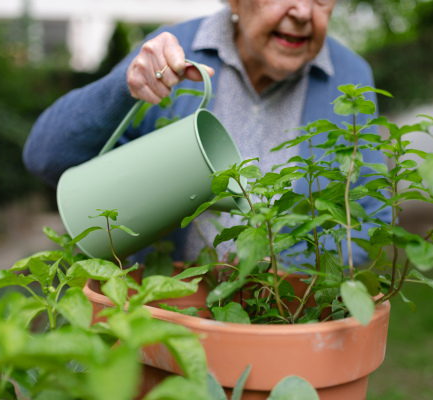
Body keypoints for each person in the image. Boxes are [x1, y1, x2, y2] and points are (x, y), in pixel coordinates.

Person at [23, 0, 391, 265]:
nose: (302, 11)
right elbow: (45, 156)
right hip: (163, 316)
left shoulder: (350, 77)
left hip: (284, 324)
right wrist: (125, 87)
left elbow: (369, 215)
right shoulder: (171, 53)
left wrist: (292, 291)